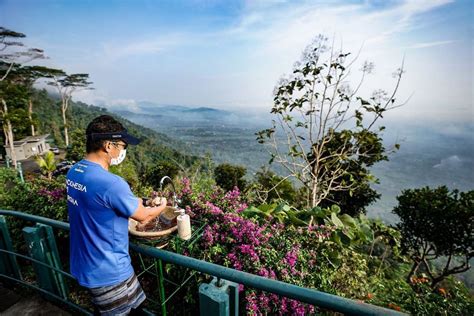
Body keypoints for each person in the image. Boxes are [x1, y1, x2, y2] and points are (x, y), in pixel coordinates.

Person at [66, 115, 167, 315]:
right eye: (122, 145)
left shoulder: (75, 171)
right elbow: (144, 217)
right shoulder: (112, 183)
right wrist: (163, 205)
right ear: (107, 145)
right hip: (109, 270)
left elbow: (101, 202)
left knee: (137, 306)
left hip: (87, 263)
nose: (123, 150)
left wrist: (141, 200)